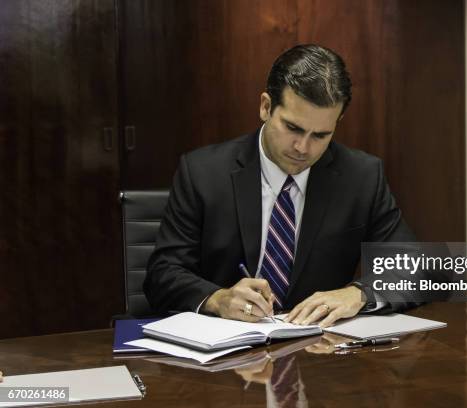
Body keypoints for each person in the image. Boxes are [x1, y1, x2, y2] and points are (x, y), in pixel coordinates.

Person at [144, 44, 416, 328]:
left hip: (319, 353)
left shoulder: (361, 176)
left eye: (321, 135)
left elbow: (417, 267)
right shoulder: (203, 172)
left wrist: (358, 294)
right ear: (265, 107)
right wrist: (217, 298)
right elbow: (163, 274)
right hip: (225, 351)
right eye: (293, 128)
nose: (303, 147)